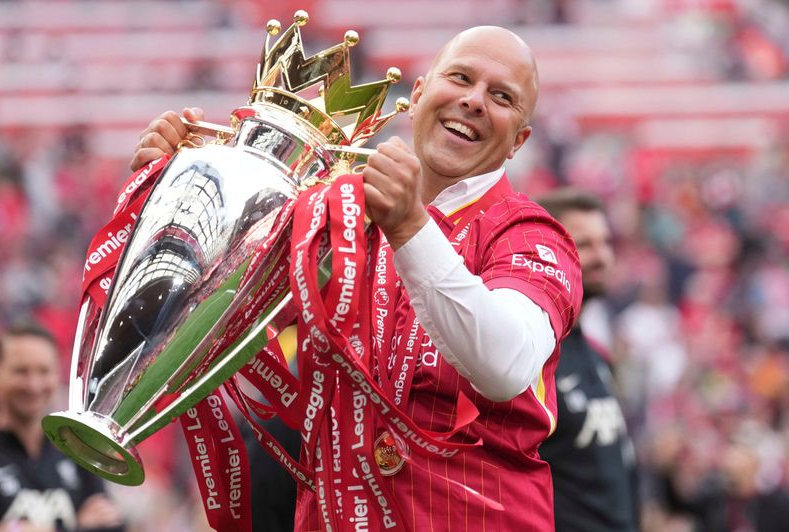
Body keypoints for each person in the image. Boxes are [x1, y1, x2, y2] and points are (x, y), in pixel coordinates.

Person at [132, 26, 582, 531]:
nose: (474, 101)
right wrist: (170, 204)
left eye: (502, 97)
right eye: (460, 78)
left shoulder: (531, 236)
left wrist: (411, 227)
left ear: (519, 140)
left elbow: (505, 365)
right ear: (416, 95)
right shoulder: (333, 214)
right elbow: (209, 324)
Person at [0, 322, 125, 532]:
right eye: (21, 372)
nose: (34, 385)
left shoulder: (78, 451)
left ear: (57, 376)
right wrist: (78, 527)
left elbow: (111, 523)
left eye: (44, 371)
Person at [536, 188, 639, 531]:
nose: (602, 257)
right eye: (586, 244)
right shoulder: (531, 356)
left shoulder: (595, 354)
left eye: (606, 243)